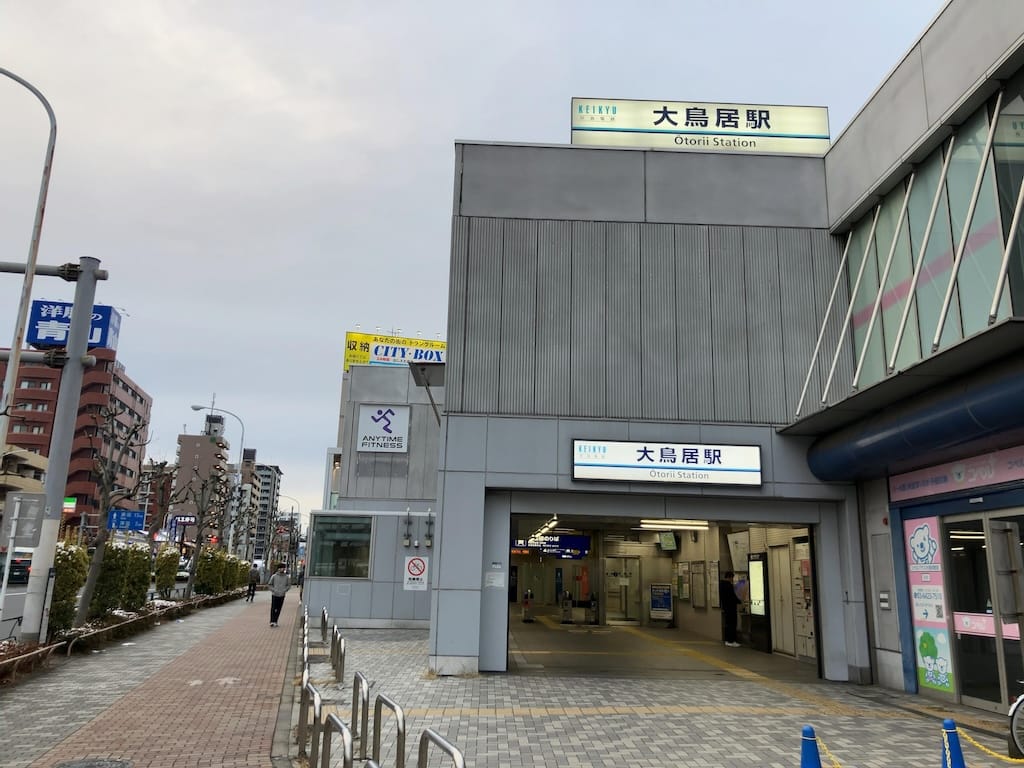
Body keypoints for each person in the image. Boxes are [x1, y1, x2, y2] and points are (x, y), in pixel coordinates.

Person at [719, 571, 742, 647]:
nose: (732, 579)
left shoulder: (721, 585)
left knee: (728, 624)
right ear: (730, 577)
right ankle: (731, 640)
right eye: (732, 578)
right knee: (732, 624)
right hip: (731, 608)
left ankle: (727, 640)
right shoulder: (728, 586)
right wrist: (740, 601)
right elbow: (732, 597)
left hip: (726, 608)